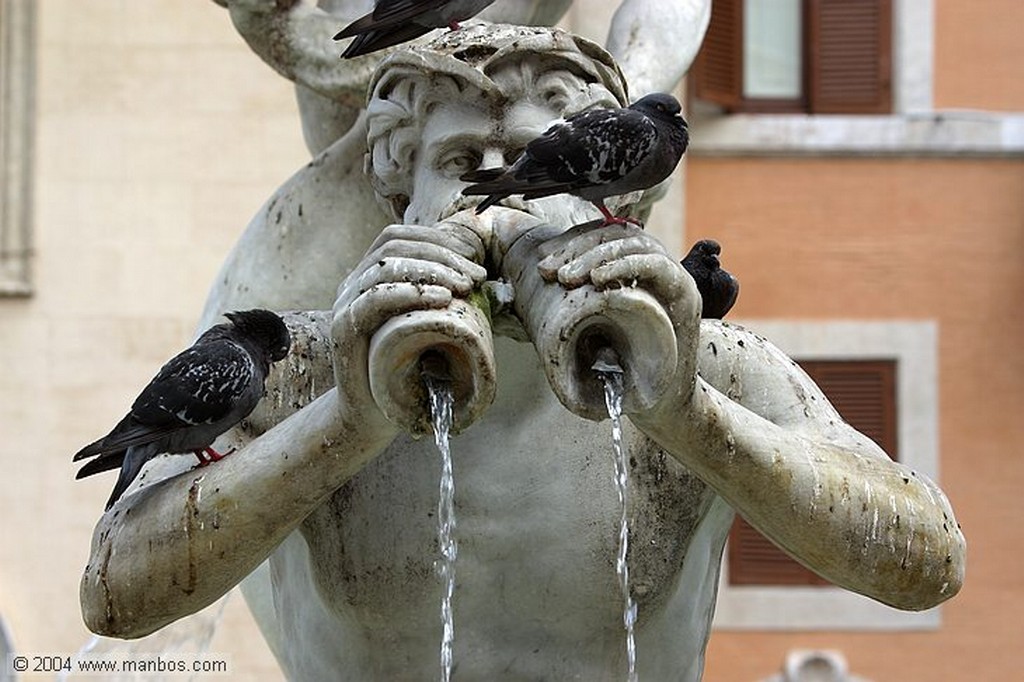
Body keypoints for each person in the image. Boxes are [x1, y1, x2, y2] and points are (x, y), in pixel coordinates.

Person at [79, 24, 965, 681]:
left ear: (609, 199)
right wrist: (347, 421)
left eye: (533, 162)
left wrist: (683, 413)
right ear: (403, 197)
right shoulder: (306, 369)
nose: (503, 204)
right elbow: (115, 595)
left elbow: (926, 561)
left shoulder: (699, 364)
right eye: (463, 161)